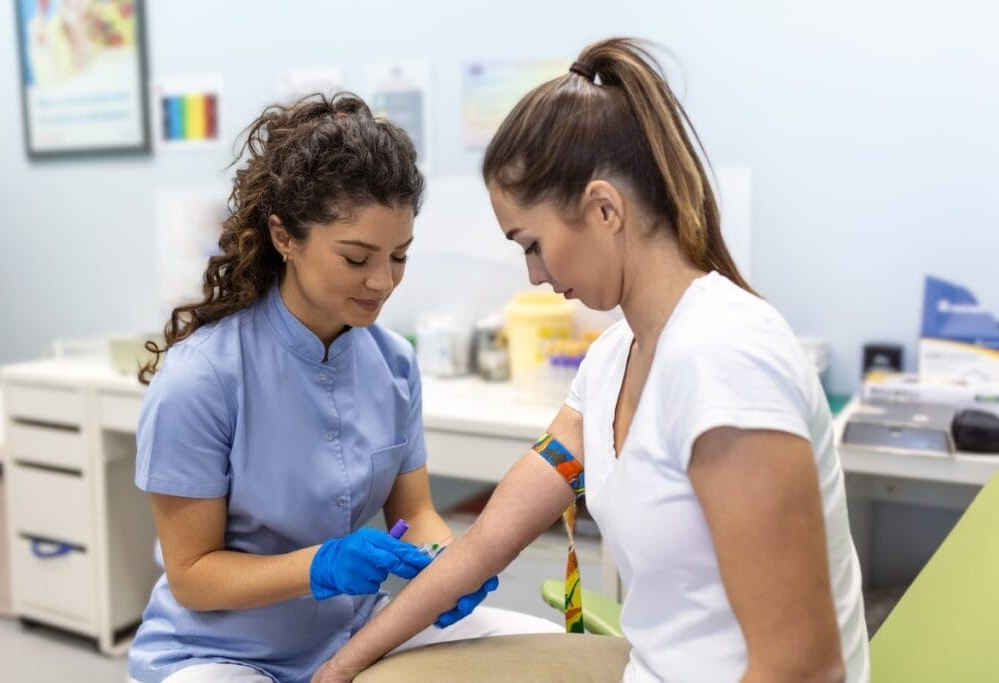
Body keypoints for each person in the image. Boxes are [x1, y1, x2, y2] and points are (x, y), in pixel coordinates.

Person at [313, 38, 870, 683]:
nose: (534, 274)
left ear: (605, 209)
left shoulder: (725, 359)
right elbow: (486, 545)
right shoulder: (612, 362)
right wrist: (344, 665)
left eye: (534, 244)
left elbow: (803, 667)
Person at [127, 93, 560, 683]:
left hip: (357, 632)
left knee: (543, 650)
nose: (382, 282)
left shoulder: (394, 364)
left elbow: (418, 513)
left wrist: (446, 563)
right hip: (219, 654)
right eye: (356, 258)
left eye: (399, 256)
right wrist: (321, 566)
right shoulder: (202, 378)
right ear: (284, 235)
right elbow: (193, 575)